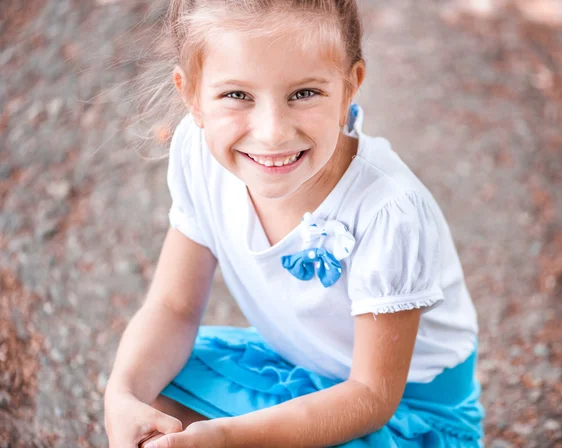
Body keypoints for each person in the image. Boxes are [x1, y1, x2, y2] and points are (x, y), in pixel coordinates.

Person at [103, 1, 484, 447]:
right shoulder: (199, 151)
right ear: (192, 96)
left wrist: (227, 437)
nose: (272, 133)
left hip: (405, 412)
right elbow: (173, 307)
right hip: (303, 367)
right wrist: (122, 394)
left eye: (303, 93)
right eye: (237, 95)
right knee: (155, 406)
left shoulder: (387, 210)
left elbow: (371, 396)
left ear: (349, 87)